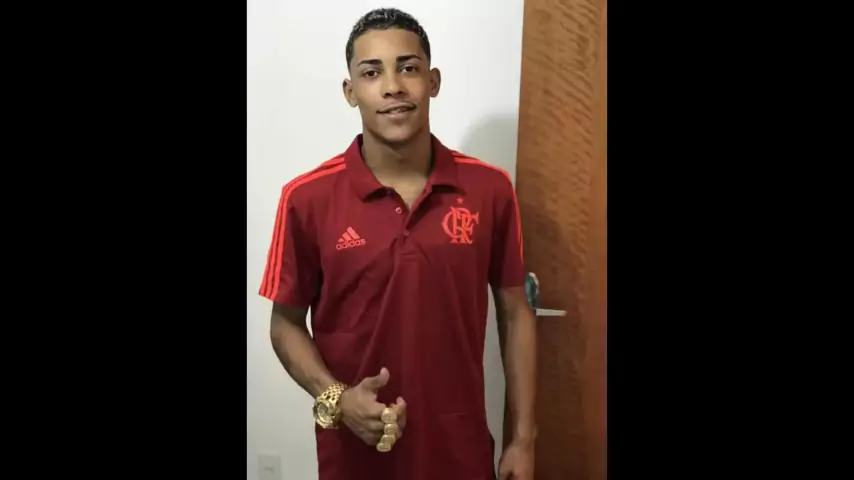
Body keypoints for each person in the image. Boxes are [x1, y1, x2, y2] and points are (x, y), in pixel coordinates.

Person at [258, 7, 537, 480]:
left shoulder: (489, 189)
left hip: (461, 451)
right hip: (355, 456)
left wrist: (524, 440)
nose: (392, 86)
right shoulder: (305, 198)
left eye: (408, 67)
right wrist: (337, 399)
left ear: (433, 81)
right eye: (372, 72)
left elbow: (516, 312)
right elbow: (284, 325)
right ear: (350, 91)